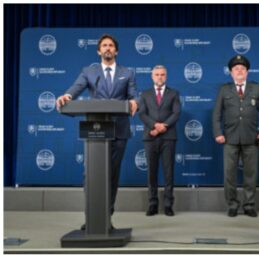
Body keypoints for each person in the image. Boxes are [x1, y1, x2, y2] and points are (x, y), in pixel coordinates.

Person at [56, 34, 138, 224]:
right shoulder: (89, 72)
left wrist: (135, 101)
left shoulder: (128, 73)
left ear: (116, 51)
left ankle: (106, 216)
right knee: (91, 174)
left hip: (119, 130)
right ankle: (92, 216)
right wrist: (67, 96)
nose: (107, 48)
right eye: (104, 46)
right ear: (99, 51)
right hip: (96, 129)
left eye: (110, 46)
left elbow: (134, 95)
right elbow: (75, 89)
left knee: (112, 175)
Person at [213, 55, 259, 218]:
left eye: (242, 69)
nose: (239, 71)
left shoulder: (257, 89)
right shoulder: (224, 90)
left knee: (250, 174)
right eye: (236, 69)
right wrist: (218, 132)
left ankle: (249, 205)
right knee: (229, 174)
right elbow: (216, 114)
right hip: (229, 138)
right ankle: (232, 204)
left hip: (251, 138)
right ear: (231, 72)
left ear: (247, 72)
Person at [138, 65, 181, 217]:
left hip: (168, 137)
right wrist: (155, 126)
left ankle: (168, 205)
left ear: (166, 76)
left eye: (162, 74)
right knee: (151, 172)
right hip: (150, 137)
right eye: (157, 75)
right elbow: (142, 114)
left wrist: (164, 126)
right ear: (152, 76)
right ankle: (152, 204)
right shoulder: (145, 94)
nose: (159, 77)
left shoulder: (174, 93)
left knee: (169, 172)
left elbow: (176, 113)